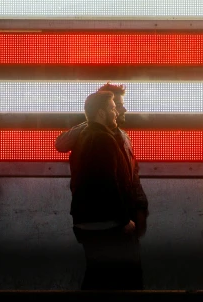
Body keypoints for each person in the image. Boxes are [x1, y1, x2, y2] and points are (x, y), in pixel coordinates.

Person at [68, 90, 144, 290]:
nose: (117, 112)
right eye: (112, 108)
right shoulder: (104, 140)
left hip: (87, 221)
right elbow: (108, 183)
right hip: (107, 224)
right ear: (101, 113)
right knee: (124, 277)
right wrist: (123, 220)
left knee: (98, 275)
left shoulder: (83, 138)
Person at [56, 83, 148, 236]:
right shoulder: (91, 136)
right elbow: (107, 182)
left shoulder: (123, 138)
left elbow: (133, 177)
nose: (122, 110)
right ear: (102, 110)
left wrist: (140, 208)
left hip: (119, 217)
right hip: (106, 220)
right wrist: (93, 122)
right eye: (115, 106)